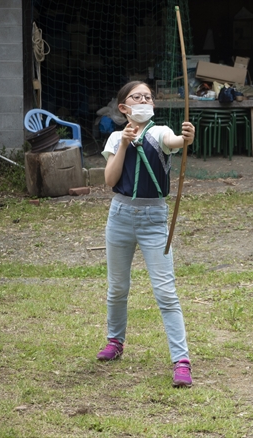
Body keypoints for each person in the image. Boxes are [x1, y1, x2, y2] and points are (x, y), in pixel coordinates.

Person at [97, 81, 195, 388]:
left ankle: (181, 361)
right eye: (136, 97)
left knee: (165, 292)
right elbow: (110, 180)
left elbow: (174, 140)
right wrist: (125, 143)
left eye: (148, 97)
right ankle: (115, 341)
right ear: (124, 108)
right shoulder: (115, 137)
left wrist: (185, 138)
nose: (143, 100)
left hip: (154, 217)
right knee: (117, 287)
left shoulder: (158, 132)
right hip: (120, 216)